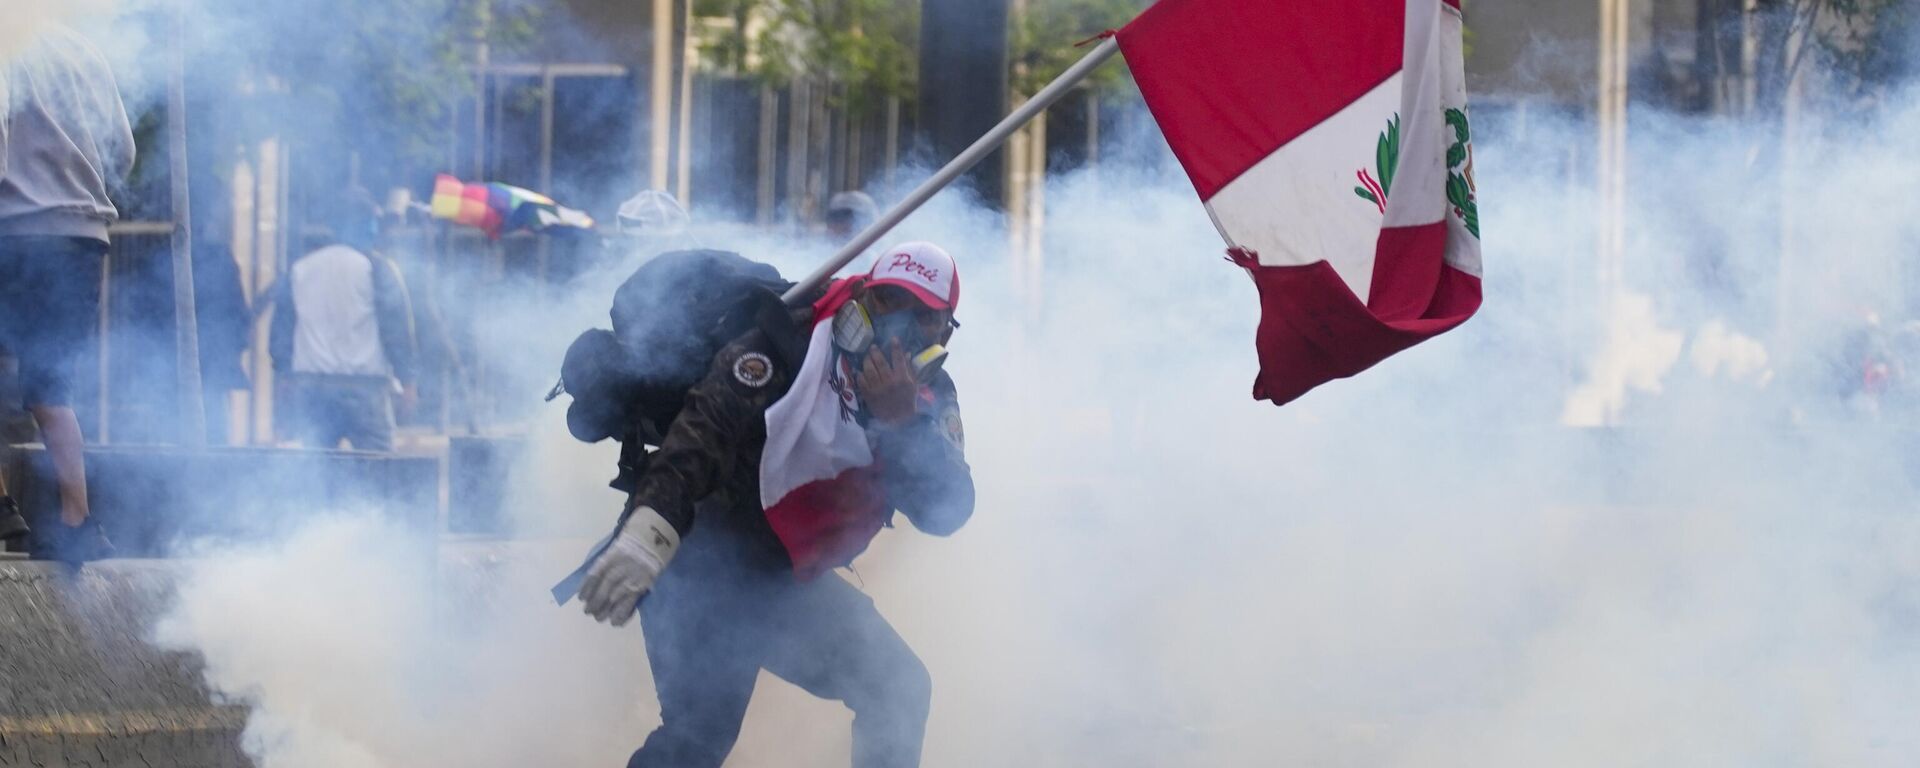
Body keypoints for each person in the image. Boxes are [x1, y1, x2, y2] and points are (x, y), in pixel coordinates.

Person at [576, 242, 973, 768]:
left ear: (945, 333)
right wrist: (650, 533)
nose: (900, 327)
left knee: (897, 688)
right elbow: (700, 435)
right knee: (698, 736)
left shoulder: (928, 398)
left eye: (922, 316)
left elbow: (948, 511)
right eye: (888, 303)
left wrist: (903, 426)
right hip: (702, 554)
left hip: (781, 578)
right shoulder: (791, 341)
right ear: (861, 303)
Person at [0, 25, 133, 560]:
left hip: (17, 233)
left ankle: (5, 509)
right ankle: (76, 521)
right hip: (84, 237)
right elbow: (121, 149)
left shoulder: (9, 45)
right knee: (52, 388)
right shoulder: (87, 50)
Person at [267, 190, 418, 452]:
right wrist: (408, 382)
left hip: (311, 388)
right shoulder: (378, 268)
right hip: (365, 389)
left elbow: (281, 332)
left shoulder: (301, 269)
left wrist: (283, 379)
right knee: (376, 474)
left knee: (318, 476)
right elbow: (396, 330)